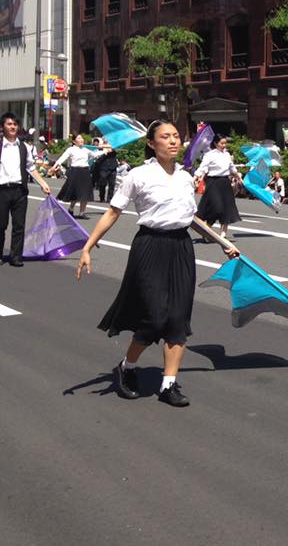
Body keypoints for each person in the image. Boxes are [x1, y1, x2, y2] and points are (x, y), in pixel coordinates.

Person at [76, 120, 239, 407]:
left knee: (178, 318)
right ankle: (127, 366)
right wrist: (87, 246)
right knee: (153, 316)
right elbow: (112, 213)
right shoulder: (138, 175)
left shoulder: (185, 177)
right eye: (166, 136)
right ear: (152, 143)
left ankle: (168, 385)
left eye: (176, 136)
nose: (173, 141)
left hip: (181, 248)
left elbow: (190, 218)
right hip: (150, 246)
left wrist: (222, 242)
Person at [0, 112, 52, 266]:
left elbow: (31, 167)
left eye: (15, 124)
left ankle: (16, 257)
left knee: (19, 225)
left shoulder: (24, 147)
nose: (12, 127)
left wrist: (43, 183)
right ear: (2, 127)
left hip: (20, 191)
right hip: (2, 190)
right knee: (1, 225)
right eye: (9, 124)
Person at [194, 135, 242, 239]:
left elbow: (232, 168)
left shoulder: (227, 155)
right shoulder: (210, 155)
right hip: (213, 182)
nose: (224, 145)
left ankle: (223, 233)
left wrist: (239, 177)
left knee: (227, 207)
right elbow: (202, 167)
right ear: (216, 143)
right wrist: (195, 177)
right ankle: (207, 230)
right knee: (216, 207)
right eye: (222, 143)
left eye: (225, 143)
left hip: (225, 182)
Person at [50, 133, 103, 219]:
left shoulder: (85, 149)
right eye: (79, 138)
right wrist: (54, 166)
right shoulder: (71, 149)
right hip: (75, 172)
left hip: (85, 171)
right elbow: (62, 158)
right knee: (75, 193)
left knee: (85, 193)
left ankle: (82, 213)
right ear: (74, 141)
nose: (81, 140)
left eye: (82, 138)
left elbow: (95, 155)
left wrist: (105, 151)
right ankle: (71, 208)